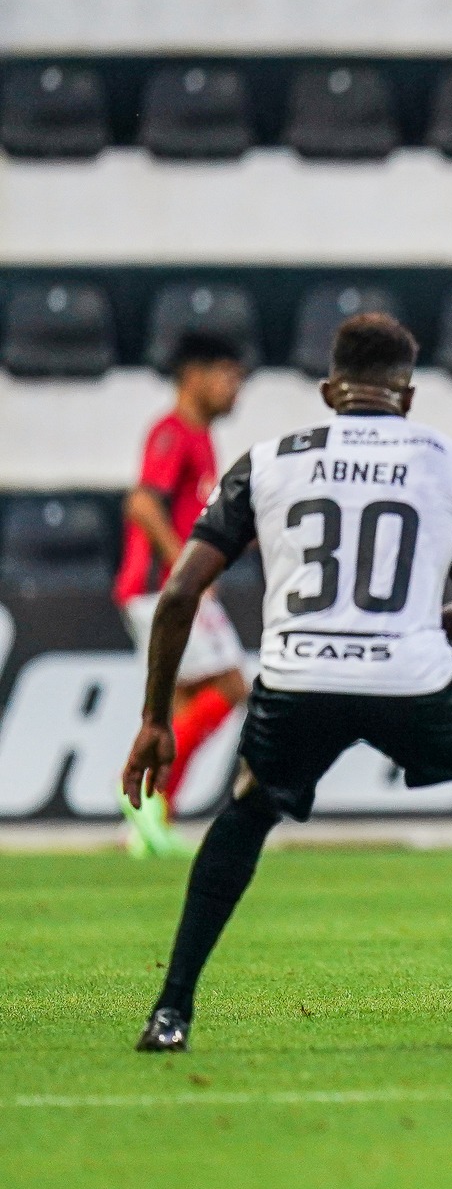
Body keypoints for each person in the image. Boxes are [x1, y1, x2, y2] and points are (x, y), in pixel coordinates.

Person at [122, 313, 452, 1053]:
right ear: (409, 394)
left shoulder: (265, 460)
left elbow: (176, 595)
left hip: (297, 678)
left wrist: (154, 720)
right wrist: (403, 627)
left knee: (248, 807)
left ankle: (171, 1010)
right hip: (411, 679)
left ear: (329, 391)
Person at [113, 330, 250, 858]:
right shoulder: (172, 433)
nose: (235, 388)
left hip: (164, 587)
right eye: (228, 375)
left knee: (184, 705)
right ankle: (135, 789)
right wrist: (185, 569)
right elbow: (142, 504)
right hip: (161, 588)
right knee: (231, 684)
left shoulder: (201, 438)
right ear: (193, 375)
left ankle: (150, 816)